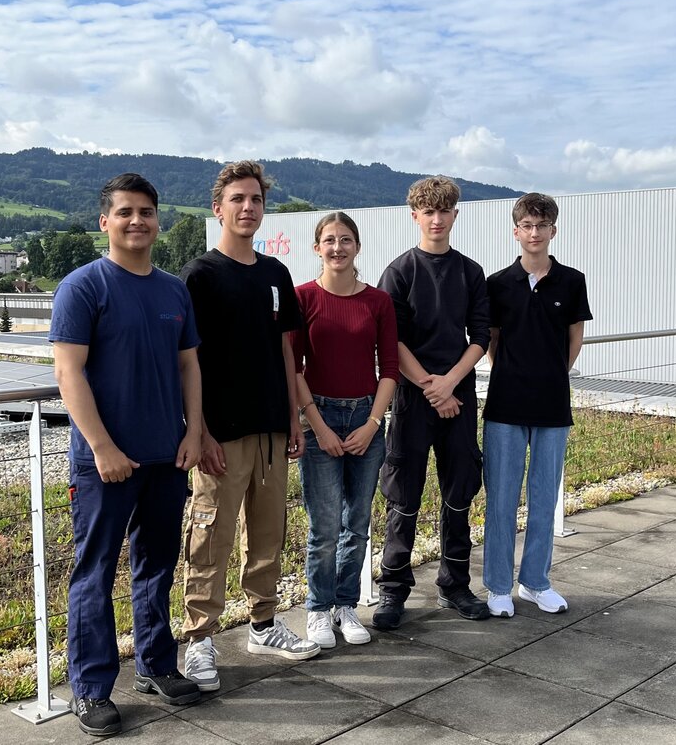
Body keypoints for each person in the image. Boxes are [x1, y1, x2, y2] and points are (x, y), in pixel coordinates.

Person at [50, 173, 203, 736]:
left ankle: (156, 664)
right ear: (105, 222)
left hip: (167, 456)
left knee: (157, 566)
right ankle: (91, 689)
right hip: (104, 463)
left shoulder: (173, 290)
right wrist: (102, 446)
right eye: (125, 212)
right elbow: (67, 373)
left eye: (146, 212)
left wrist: (194, 431)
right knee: (94, 573)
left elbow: (189, 366)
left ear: (158, 221)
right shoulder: (83, 287)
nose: (137, 221)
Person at [179, 160, 319, 692]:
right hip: (221, 434)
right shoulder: (200, 275)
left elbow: (285, 350)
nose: (248, 207)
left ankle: (263, 623)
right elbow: (187, 360)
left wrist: (293, 417)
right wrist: (199, 431)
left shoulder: (276, 274)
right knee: (210, 536)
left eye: (256, 199)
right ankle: (199, 638)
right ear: (218, 208)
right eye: (237, 199)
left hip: (271, 430)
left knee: (268, 532)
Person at [373, 175, 491, 629]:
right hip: (412, 395)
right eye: (429, 212)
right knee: (403, 495)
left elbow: (479, 336)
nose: (437, 219)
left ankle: (455, 584)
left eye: (444, 211)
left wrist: (450, 384)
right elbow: (392, 341)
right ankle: (393, 589)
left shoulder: (470, 272)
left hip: (458, 395)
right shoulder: (400, 272)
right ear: (415, 216)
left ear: (455, 215)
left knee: (459, 491)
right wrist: (430, 387)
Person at [291, 212, 399, 648]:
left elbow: (389, 369)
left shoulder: (378, 301)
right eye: (330, 240)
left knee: (356, 522)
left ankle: (344, 605)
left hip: (365, 418)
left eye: (346, 240)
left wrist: (373, 424)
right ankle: (318, 609)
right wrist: (317, 426)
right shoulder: (303, 298)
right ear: (317, 248)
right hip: (318, 417)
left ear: (358, 246)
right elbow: (294, 368)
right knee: (324, 527)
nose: (338, 248)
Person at [482, 192, 592, 617]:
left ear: (553, 230)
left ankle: (535, 582)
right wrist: (514, 373)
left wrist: (551, 373)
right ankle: (497, 586)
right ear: (516, 231)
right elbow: (492, 340)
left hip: (552, 405)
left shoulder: (572, 281)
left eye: (541, 226)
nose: (534, 232)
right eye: (527, 225)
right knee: (501, 500)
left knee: (544, 499)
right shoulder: (497, 284)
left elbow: (574, 338)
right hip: (505, 405)